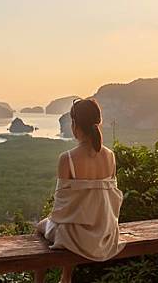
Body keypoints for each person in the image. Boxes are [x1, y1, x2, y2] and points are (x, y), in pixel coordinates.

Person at [37, 98, 125, 283]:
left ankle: (44, 280)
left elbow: (61, 207)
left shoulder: (67, 158)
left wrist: (51, 222)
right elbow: (111, 197)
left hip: (75, 237)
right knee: (74, 223)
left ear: (75, 124)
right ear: (97, 122)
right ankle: (66, 276)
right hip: (105, 232)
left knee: (41, 227)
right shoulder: (110, 156)